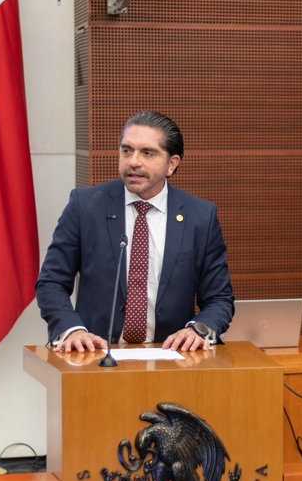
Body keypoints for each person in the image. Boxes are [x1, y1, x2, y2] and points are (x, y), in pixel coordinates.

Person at [35, 111, 234, 352]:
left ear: (172, 164)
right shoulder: (85, 206)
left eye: (147, 153)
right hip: (94, 357)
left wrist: (198, 329)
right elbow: (51, 282)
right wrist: (72, 329)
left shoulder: (200, 217)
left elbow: (219, 299)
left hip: (171, 360)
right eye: (127, 150)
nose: (133, 161)